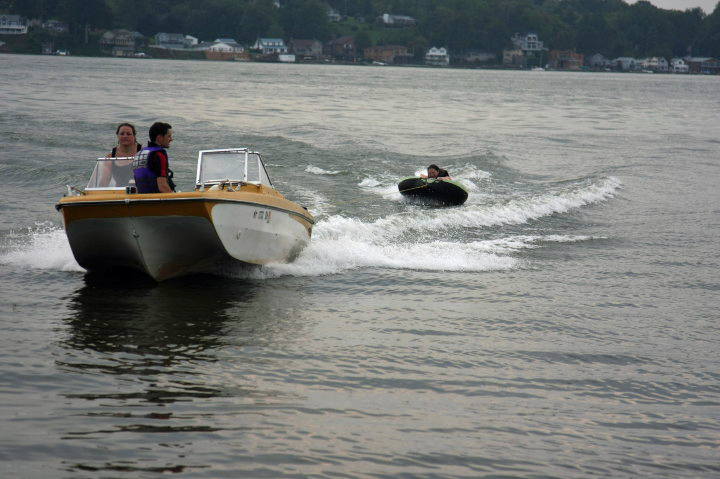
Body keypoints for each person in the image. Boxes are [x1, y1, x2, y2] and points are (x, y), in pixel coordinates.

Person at [133, 122, 176, 193]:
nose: (171, 139)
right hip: (157, 201)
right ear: (159, 138)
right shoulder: (159, 155)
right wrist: (175, 201)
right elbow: (162, 187)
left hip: (142, 200)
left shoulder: (139, 154)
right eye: (168, 136)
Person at [99, 123, 143, 187]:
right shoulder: (111, 157)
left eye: (128, 134)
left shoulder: (144, 152)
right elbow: (104, 180)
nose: (125, 136)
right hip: (119, 192)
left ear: (134, 136)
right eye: (122, 134)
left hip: (141, 192)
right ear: (117, 136)